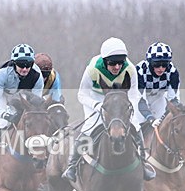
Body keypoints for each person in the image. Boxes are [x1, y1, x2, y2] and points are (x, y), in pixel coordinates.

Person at [62, 37, 155, 182]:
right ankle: (72, 166)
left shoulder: (130, 69)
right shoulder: (92, 69)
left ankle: (144, 164)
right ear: (105, 61)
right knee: (89, 127)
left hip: (121, 101)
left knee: (136, 125)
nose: (117, 67)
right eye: (113, 63)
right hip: (96, 98)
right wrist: (97, 106)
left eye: (120, 62)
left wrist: (127, 107)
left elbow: (134, 94)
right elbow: (81, 94)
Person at [0, 44, 44, 184]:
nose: (25, 68)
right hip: (2, 97)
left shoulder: (37, 76)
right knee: (1, 124)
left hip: (23, 97)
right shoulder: (1, 75)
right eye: (20, 64)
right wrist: (6, 114)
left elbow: (36, 104)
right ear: (13, 63)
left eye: (28, 64)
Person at [136, 41, 181, 128]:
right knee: (137, 126)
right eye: (156, 64)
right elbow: (140, 100)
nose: (161, 68)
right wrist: (150, 118)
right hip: (140, 100)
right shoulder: (140, 71)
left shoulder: (173, 72)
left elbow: (173, 100)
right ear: (149, 62)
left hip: (159, 98)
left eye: (164, 64)